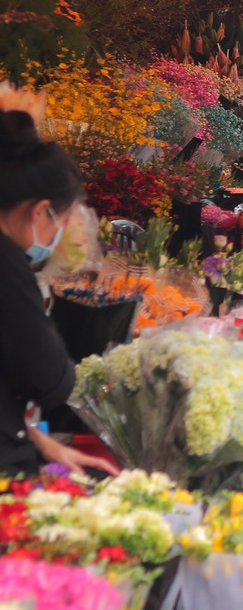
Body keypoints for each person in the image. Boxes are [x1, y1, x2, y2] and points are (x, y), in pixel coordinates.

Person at [0, 108, 120, 478]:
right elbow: (48, 378)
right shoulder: (7, 264)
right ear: (39, 212)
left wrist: (39, 439)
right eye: (63, 219)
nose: (63, 230)